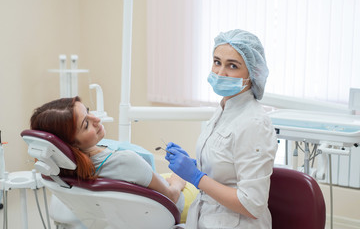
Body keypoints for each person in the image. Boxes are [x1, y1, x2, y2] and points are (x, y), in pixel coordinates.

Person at [165, 29, 278, 228]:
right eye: (217, 62)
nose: (220, 72)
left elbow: (252, 204)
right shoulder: (225, 108)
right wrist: (194, 166)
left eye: (232, 66)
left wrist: (196, 177)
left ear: (252, 74)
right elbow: (225, 169)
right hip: (206, 218)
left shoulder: (254, 123)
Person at [30, 97, 187, 215]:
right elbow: (172, 198)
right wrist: (179, 180)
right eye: (86, 125)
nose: (96, 119)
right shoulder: (126, 161)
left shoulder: (64, 169)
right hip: (170, 210)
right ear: (72, 144)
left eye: (88, 111)